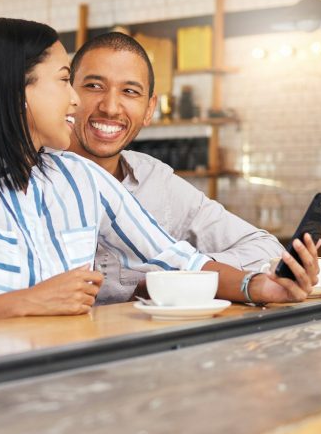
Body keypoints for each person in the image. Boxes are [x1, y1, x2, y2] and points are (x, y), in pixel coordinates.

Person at [0, 18, 319, 334]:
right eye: (69, 81)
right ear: (15, 92)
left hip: (67, 376)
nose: (79, 102)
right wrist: (26, 303)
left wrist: (260, 287)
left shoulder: (80, 176)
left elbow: (177, 259)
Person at [67, 32, 305, 304]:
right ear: (68, 94)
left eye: (130, 91)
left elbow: (264, 248)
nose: (110, 107)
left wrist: (172, 277)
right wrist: (175, 273)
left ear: (149, 109)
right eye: (94, 86)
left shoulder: (156, 180)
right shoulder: (30, 176)